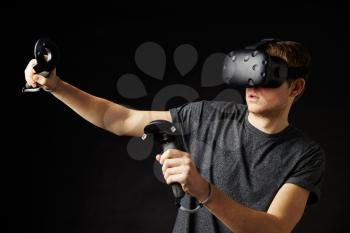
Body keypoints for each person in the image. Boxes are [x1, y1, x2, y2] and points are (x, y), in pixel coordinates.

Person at [24, 40, 325, 233]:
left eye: (266, 77)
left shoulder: (305, 155)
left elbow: (274, 229)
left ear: (295, 88)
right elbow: (117, 118)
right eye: (248, 73)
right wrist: (56, 85)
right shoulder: (208, 115)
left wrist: (205, 191)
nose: (252, 85)